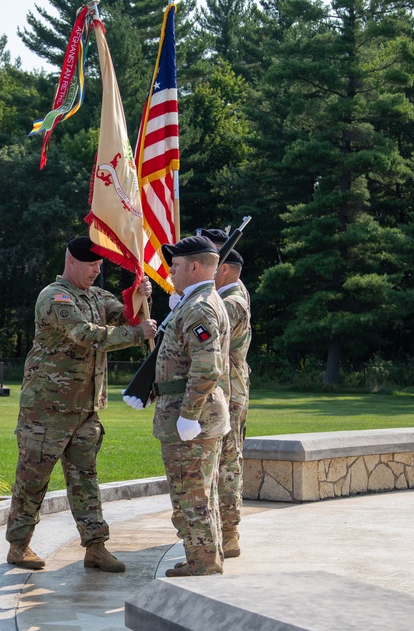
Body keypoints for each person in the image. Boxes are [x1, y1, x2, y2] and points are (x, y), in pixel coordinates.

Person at [6, 236, 158, 572]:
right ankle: (19, 546)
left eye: (100, 264)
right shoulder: (55, 297)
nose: (96, 270)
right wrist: (137, 333)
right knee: (33, 479)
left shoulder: (97, 296)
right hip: (47, 410)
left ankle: (95, 547)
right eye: (91, 264)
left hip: (85, 409)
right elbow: (85, 334)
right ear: (71, 261)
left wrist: (138, 295)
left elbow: (125, 316)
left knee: (85, 478)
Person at [152, 235, 230, 577]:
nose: (171, 271)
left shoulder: (199, 306)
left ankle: (203, 564)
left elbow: (207, 365)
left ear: (195, 266)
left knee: (191, 496)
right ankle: (205, 558)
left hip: (192, 420)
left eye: (177, 265)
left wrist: (188, 414)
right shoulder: (195, 302)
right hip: (191, 415)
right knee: (199, 493)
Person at [214, 249, 252, 558]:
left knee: (227, 464)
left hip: (228, 393)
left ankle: (229, 532)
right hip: (226, 389)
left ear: (224, 269)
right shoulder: (229, 294)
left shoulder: (232, 302)